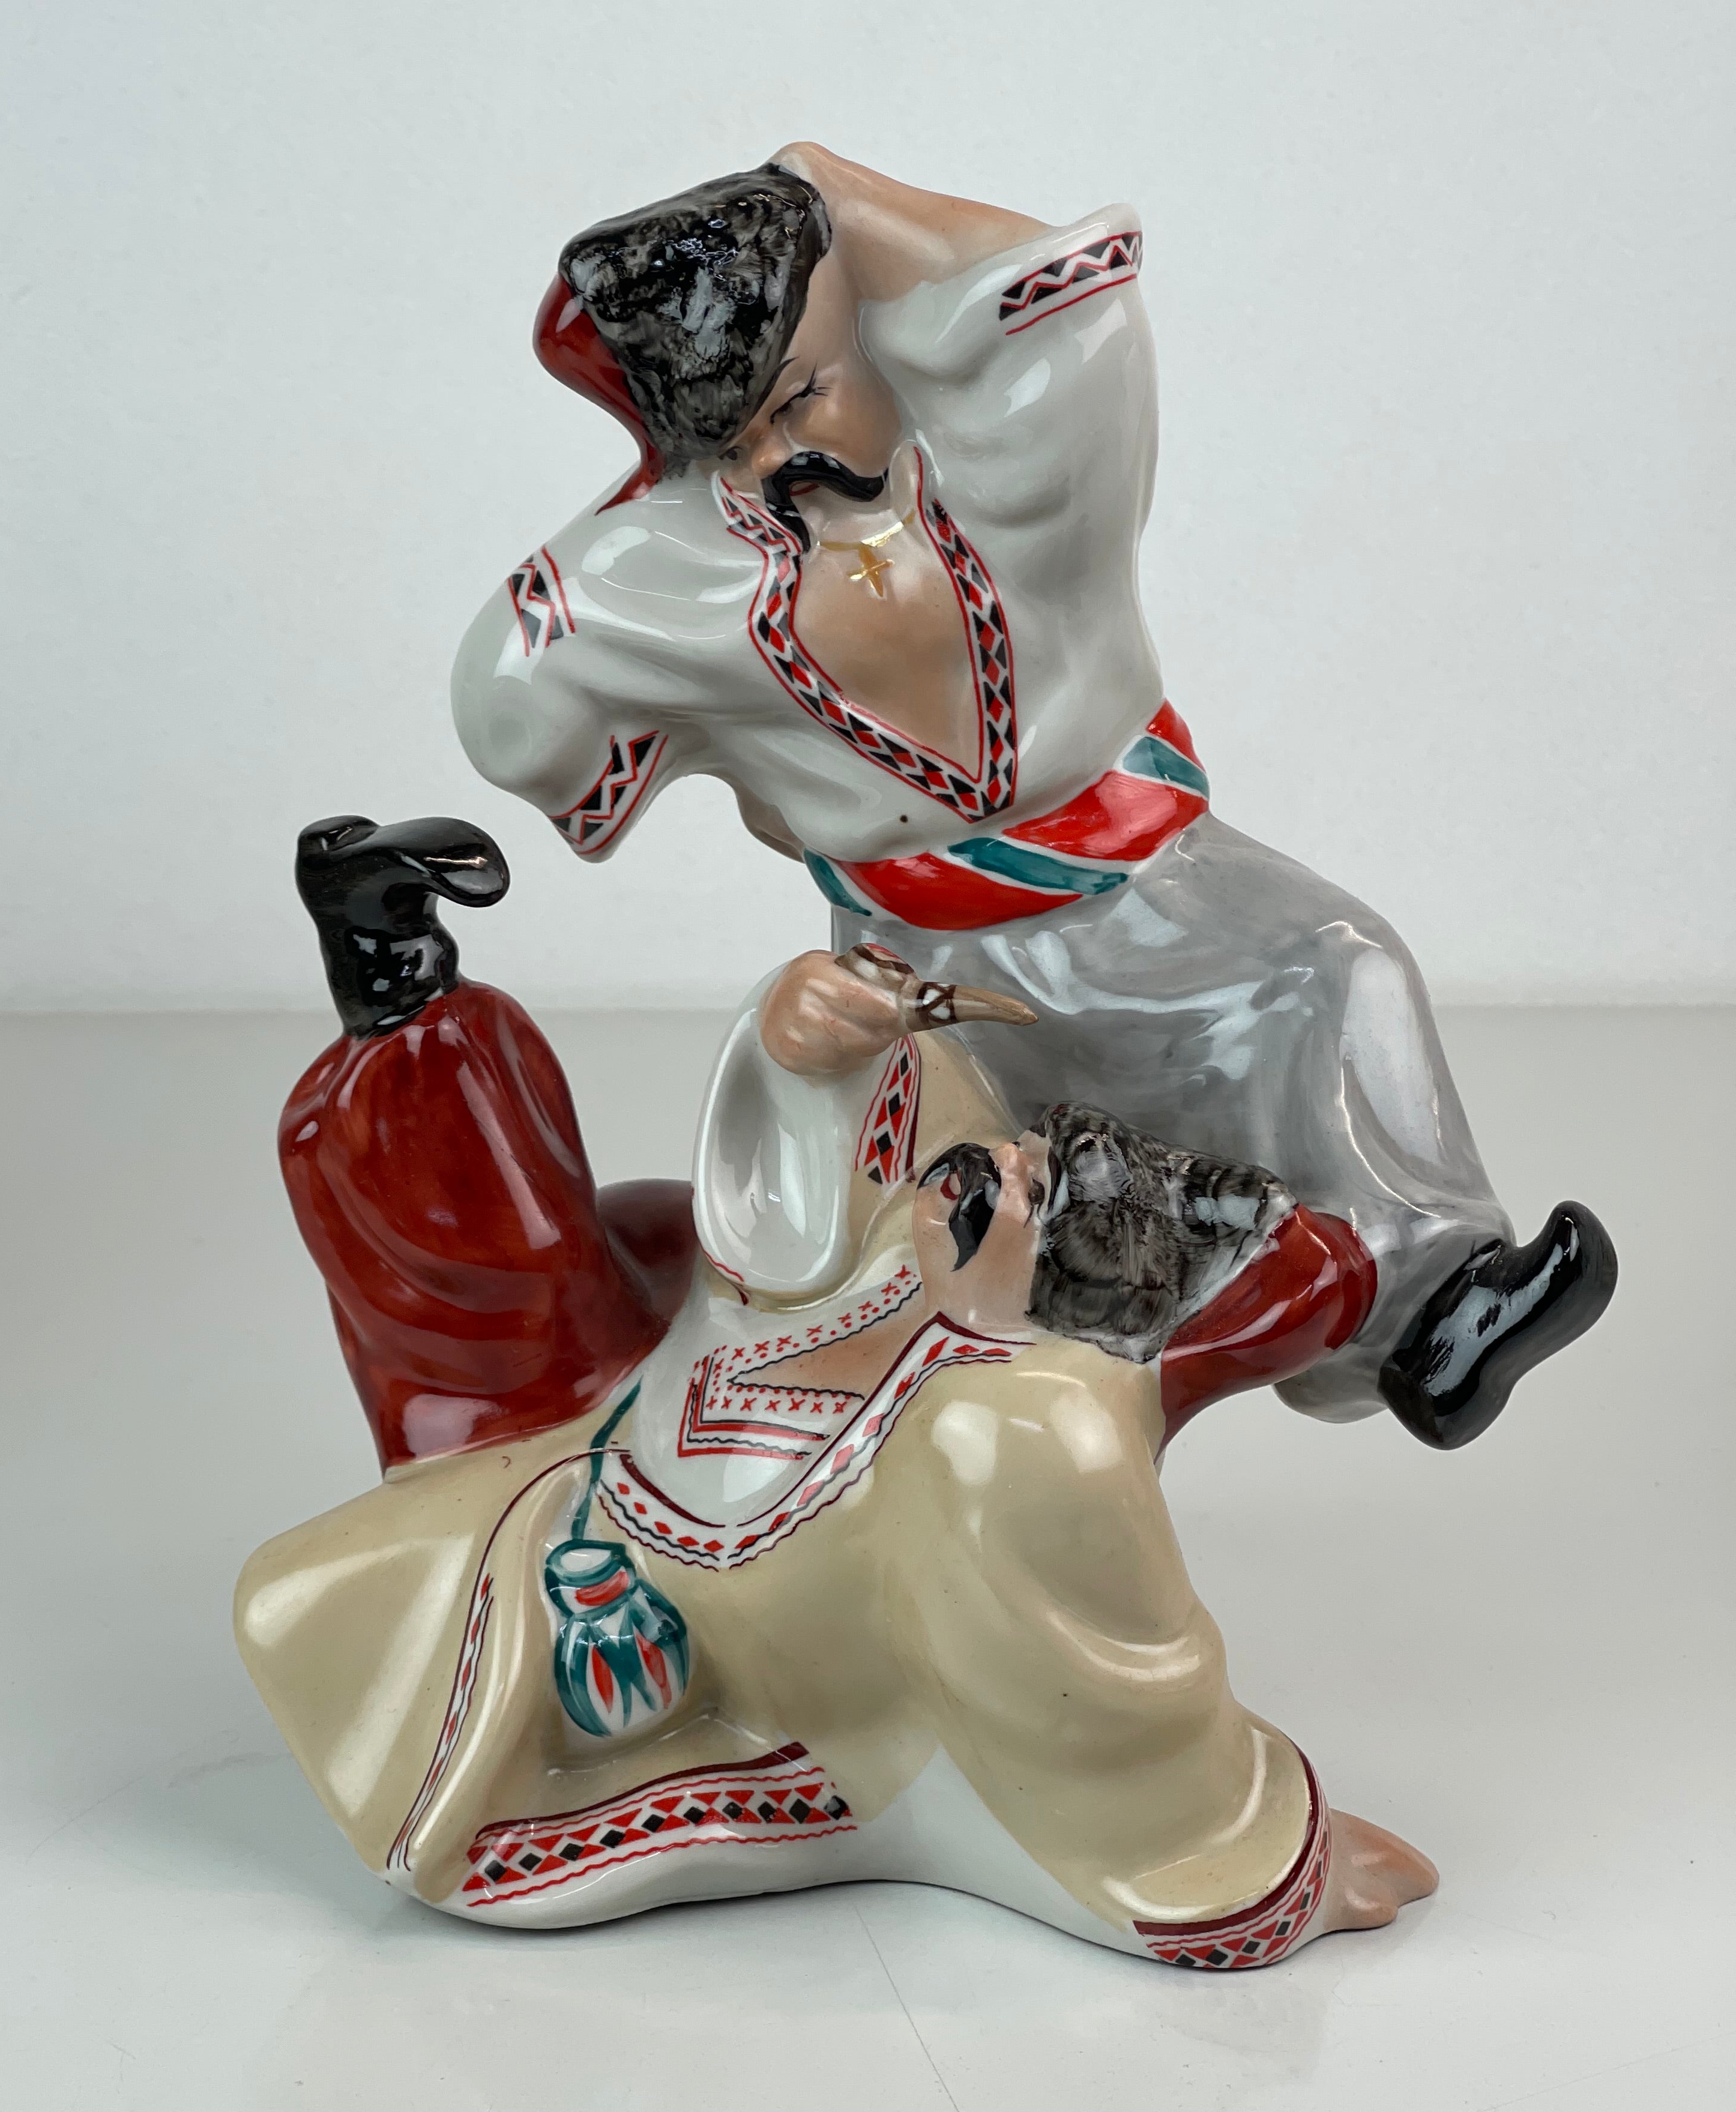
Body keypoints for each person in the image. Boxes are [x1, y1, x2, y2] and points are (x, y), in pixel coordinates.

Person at [452, 146, 1614, 1443]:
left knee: (1340, 969)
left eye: (806, 396)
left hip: (1161, 887)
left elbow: (1076, 293)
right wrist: (649, 488)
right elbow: (515, 709)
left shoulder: (1013, 480)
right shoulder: (697, 584)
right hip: (926, 960)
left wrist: (841, 199)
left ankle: (1442, 1312)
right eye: (736, 442)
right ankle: (1012, 1433)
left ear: (863, 334)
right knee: (977, 1207)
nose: (783, 456)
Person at [238, 951, 1433, 1960]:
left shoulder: (1011, 1418)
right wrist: (802, 1048)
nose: (983, 1176)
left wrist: (1249, 1857)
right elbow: (795, 1220)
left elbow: (1103, 1705)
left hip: (654, 1581)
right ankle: (405, 1006)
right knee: (468, 1192)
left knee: (330, 1604)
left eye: (1015, 1199)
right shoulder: (922, 1269)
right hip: (640, 1418)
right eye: (1009, 1159)